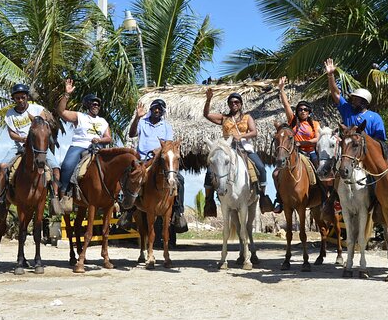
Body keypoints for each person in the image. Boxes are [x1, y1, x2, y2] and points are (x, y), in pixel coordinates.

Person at [203, 87, 274, 217]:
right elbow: (206, 115)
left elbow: (254, 132)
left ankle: (263, 197)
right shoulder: (224, 118)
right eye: (231, 102)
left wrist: (241, 136)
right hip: (227, 148)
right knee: (210, 171)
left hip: (243, 148)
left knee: (261, 168)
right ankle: (209, 201)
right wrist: (208, 100)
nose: (234, 104)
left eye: (236, 102)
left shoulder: (247, 117)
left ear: (240, 104)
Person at [0, 83, 62, 216]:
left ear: (27, 97)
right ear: (14, 99)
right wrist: (23, 139)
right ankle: (1, 197)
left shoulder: (37, 109)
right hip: (19, 146)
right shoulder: (10, 114)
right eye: (17, 98)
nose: (20, 100)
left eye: (22, 97)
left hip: (39, 147)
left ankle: (54, 198)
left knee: (56, 168)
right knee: (2, 167)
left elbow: (43, 127)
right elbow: (11, 133)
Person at [128, 98, 187, 233]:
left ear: (162, 112)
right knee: (131, 177)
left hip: (160, 160)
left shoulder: (166, 126)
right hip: (143, 159)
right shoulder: (142, 123)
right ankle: (129, 211)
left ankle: (179, 212)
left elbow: (169, 145)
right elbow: (132, 134)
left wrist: (159, 151)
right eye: (155, 108)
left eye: (160, 109)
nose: (157, 110)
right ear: (151, 109)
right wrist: (137, 118)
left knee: (181, 180)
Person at [57, 79, 111, 208]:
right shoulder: (79, 116)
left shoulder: (103, 121)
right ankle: (64, 195)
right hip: (79, 145)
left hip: (98, 147)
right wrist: (67, 94)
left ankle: (115, 197)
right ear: (87, 105)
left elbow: (108, 138)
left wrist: (100, 140)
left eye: (98, 104)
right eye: (93, 104)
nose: (96, 106)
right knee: (67, 165)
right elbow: (61, 112)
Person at [272, 76, 321, 213]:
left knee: (320, 172)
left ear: (309, 112)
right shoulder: (293, 121)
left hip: (310, 152)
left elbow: (316, 139)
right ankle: (280, 199)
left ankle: (325, 198)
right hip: (295, 154)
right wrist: (281, 90)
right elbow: (286, 105)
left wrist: (302, 142)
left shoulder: (315, 124)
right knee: (276, 174)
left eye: (305, 109)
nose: (302, 111)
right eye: (300, 109)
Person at [325, 58, 386, 141]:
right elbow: (336, 93)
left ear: (364, 102)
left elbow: (380, 139)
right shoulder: (347, 109)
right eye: (353, 99)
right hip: (348, 150)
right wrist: (330, 75)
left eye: (356, 99)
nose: (353, 101)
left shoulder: (375, 117)